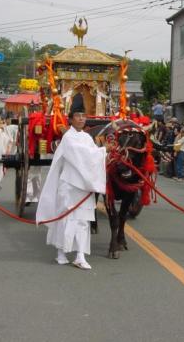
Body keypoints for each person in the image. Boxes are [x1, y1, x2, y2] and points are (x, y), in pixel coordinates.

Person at [36, 95, 107, 270]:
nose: (81, 118)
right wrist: (103, 152)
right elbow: (82, 155)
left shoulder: (87, 137)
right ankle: (61, 252)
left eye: (83, 115)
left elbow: (92, 158)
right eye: (78, 115)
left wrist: (102, 154)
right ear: (71, 119)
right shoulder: (69, 137)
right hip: (69, 185)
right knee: (67, 220)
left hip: (84, 187)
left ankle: (80, 255)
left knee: (83, 221)